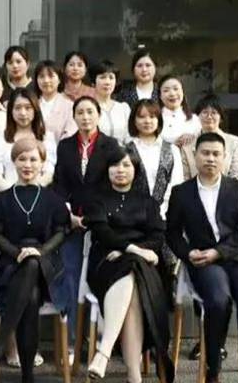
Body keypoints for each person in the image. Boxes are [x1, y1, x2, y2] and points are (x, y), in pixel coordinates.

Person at [166, 133, 238, 383]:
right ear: (195, 156)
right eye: (205, 153)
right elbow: (172, 233)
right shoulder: (181, 192)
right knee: (219, 300)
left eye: (216, 154)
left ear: (224, 158)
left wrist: (219, 252)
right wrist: (187, 253)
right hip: (204, 261)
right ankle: (213, 367)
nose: (210, 158)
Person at [0, 138, 71, 383]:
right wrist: (17, 252)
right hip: (12, 265)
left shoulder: (53, 199)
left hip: (47, 267)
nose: (27, 164)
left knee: (32, 263)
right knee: (30, 296)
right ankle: (27, 376)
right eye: (22, 159)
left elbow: (61, 232)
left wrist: (39, 252)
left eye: (33, 159)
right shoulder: (2, 199)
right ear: (14, 162)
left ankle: (0, 341)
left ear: (42, 163)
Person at [84, 146, 173, 383]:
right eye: (115, 165)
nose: (120, 170)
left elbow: (157, 236)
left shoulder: (148, 202)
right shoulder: (96, 199)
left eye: (126, 165)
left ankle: (105, 353)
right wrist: (135, 250)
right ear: (107, 170)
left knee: (133, 276)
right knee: (131, 270)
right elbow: (103, 233)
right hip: (106, 262)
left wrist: (132, 252)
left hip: (139, 265)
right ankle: (133, 375)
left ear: (135, 169)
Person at [51, 95, 119, 359]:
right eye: (80, 112)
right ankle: (72, 342)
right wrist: (68, 214)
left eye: (90, 111)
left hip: (101, 223)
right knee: (70, 276)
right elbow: (59, 184)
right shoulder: (65, 146)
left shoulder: (111, 146)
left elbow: (114, 185)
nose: (85, 117)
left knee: (101, 276)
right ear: (74, 116)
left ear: (98, 115)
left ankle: (100, 341)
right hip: (72, 222)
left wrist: (94, 218)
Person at [123, 100, 185, 219]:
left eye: (152, 116)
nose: (147, 121)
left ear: (159, 120)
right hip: (132, 216)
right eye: (141, 117)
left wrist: (162, 210)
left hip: (166, 215)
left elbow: (176, 184)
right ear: (134, 120)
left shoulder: (172, 150)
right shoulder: (125, 151)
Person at [0, 87, 57, 191]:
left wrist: (31, 192)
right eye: (17, 108)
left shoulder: (46, 137)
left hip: (38, 194)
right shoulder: (1, 136)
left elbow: (48, 173)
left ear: (35, 109)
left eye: (28, 108)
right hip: (8, 194)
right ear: (11, 111)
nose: (23, 113)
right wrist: (11, 193)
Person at [178, 95, 238, 181]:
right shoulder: (187, 143)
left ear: (221, 117)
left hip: (226, 188)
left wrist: (226, 188)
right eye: (205, 112)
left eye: (214, 112)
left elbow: (237, 172)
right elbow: (184, 175)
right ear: (198, 116)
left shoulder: (233, 142)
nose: (209, 116)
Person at [34, 59, 77, 142]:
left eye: (51, 76)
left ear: (59, 79)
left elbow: (70, 134)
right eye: (41, 76)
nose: (46, 80)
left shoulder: (70, 106)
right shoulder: (31, 104)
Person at [92, 59, 130, 143]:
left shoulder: (123, 108)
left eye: (111, 77)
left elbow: (130, 137)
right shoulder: (88, 109)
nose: (107, 82)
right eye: (102, 77)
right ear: (93, 82)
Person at [158, 75, 201, 146]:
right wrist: (173, 145)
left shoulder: (195, 119)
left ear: (183, 92)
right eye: (166, 90)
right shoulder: (154, 119)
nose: (172, 94)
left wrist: (192, 137)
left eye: (176, 89)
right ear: (160, 96)